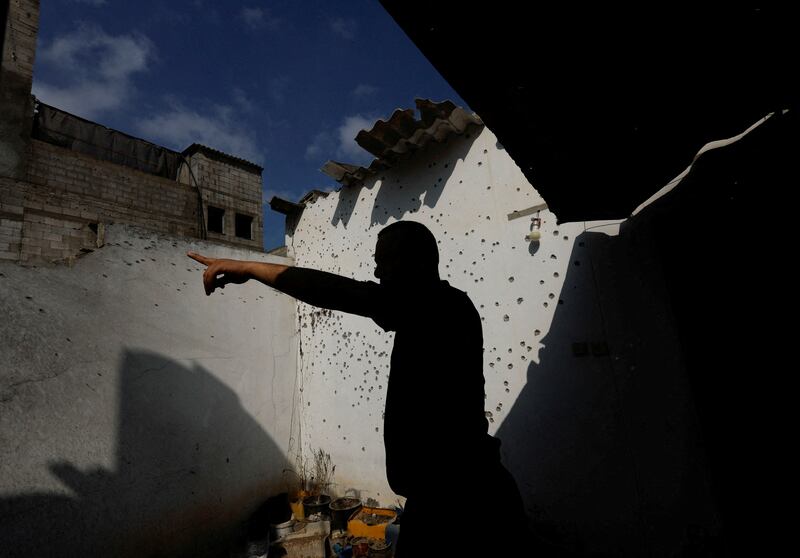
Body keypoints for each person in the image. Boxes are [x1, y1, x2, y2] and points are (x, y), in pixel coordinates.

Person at [188, 220, 527, 555]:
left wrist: (249, 267)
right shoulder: (435, 309)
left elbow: (338, 292)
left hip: (462, 506)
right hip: (448, 500)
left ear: (420, 262)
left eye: (385, 262)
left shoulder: (439, 306)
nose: (378, 274)